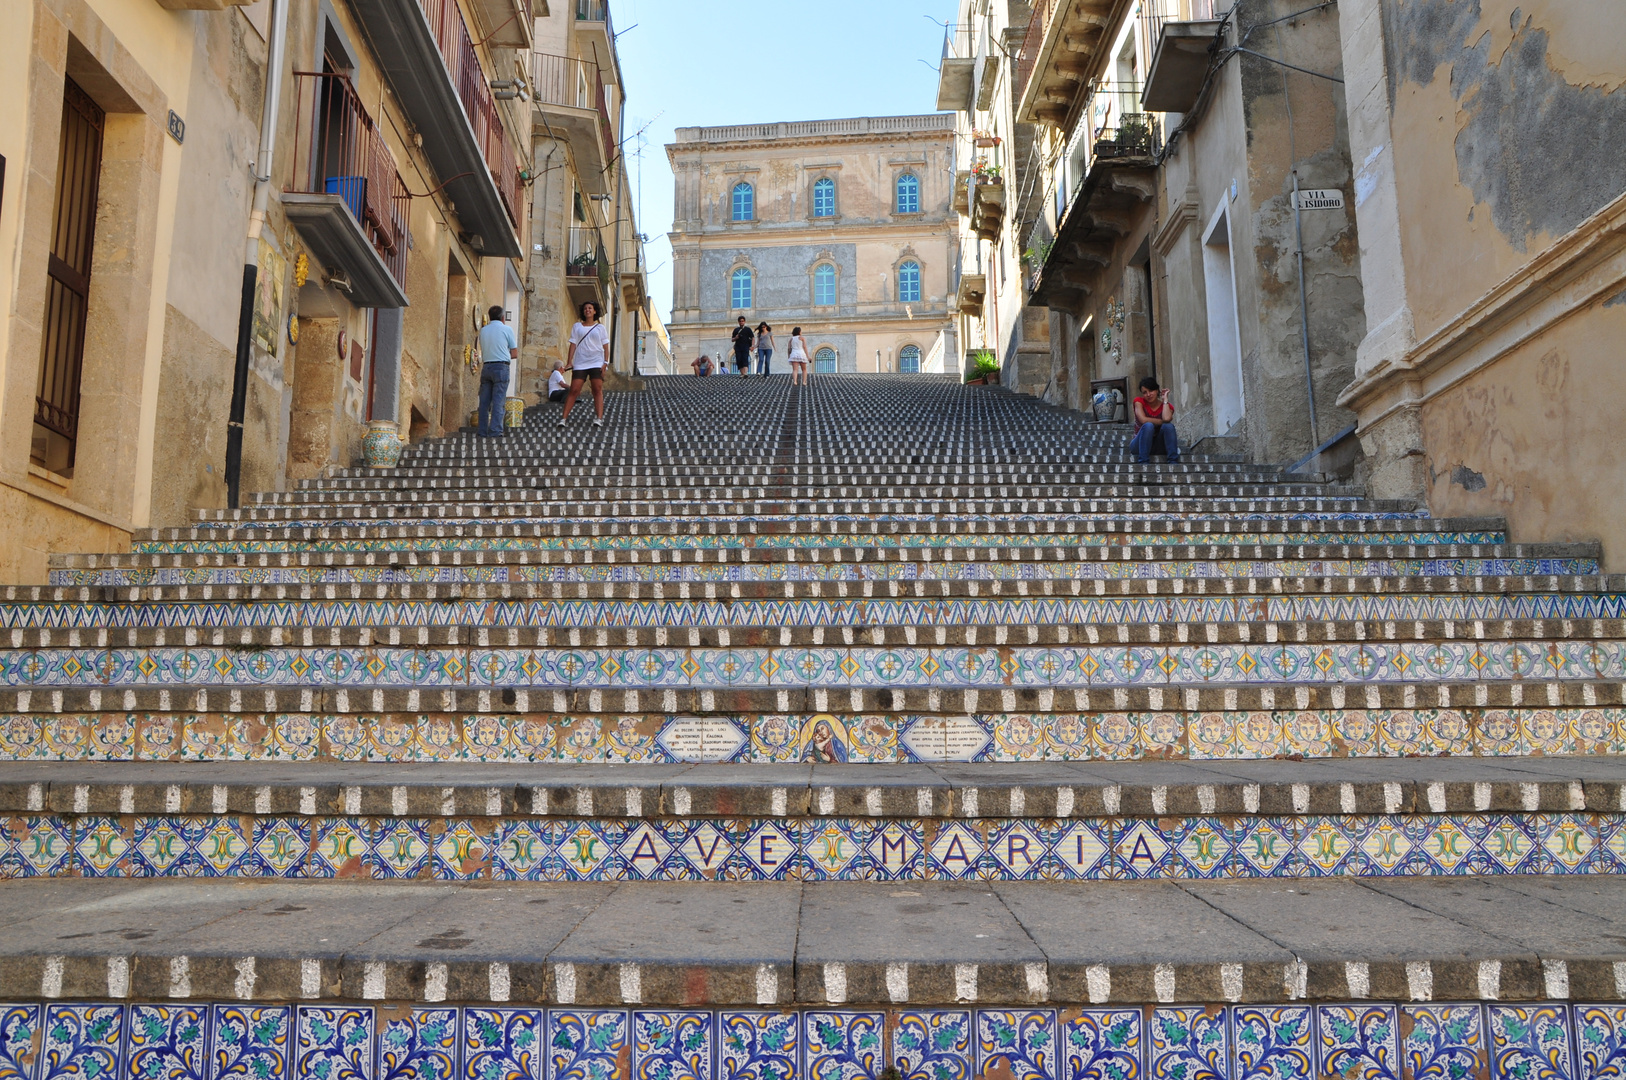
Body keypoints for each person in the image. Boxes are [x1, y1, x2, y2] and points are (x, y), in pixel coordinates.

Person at [560, 300, 609, 427]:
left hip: (596, 361)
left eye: (590, 308)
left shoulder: (600, 328)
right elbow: (573, 344)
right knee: (574, 389)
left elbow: (606, 346)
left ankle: (599, 418)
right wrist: (569, 362)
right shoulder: (577, 326)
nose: (587, 310)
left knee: (597, 389)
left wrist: (605, 362)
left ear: (594, 311)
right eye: (585, 308)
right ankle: (563, 419)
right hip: (580, 362)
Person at [476, 305, 517, 438]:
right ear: (503, 317)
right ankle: (495, 431)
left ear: (489, 317)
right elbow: (514, 353)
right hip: (501, 367)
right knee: (498, 401)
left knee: (484, 402)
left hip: (486, 367)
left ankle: (482, 431)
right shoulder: (507, 329)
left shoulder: (483, 330)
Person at [1131, 376, 1179, 463]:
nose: (1148, 395)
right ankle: (1144, 462)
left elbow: (1167, 418)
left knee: (1169, 426)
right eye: (1145, 392)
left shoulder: (1167, 406)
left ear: (1157, 390)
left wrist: (1165, 400)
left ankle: (1173, 461)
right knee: (1148, 425)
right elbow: (1143, 420)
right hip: (1138, 445)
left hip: (1158, 445)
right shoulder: (1139, 401)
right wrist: (1161, 422)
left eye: (1151, 391)